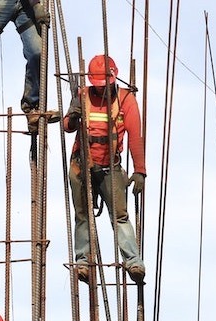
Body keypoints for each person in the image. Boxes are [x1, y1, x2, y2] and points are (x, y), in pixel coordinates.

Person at [62, 54, 147, 282]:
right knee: (82, 216)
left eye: (106, 85)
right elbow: (67, 127)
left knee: (120, 216)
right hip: (82, 166)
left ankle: (133, 261)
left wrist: (140, 170)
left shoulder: (125, 99)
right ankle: (83, 262)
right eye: (99, 86)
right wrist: (73, 115)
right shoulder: (83, 96)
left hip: (110, 169)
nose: (102, 90)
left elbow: (135, 137)